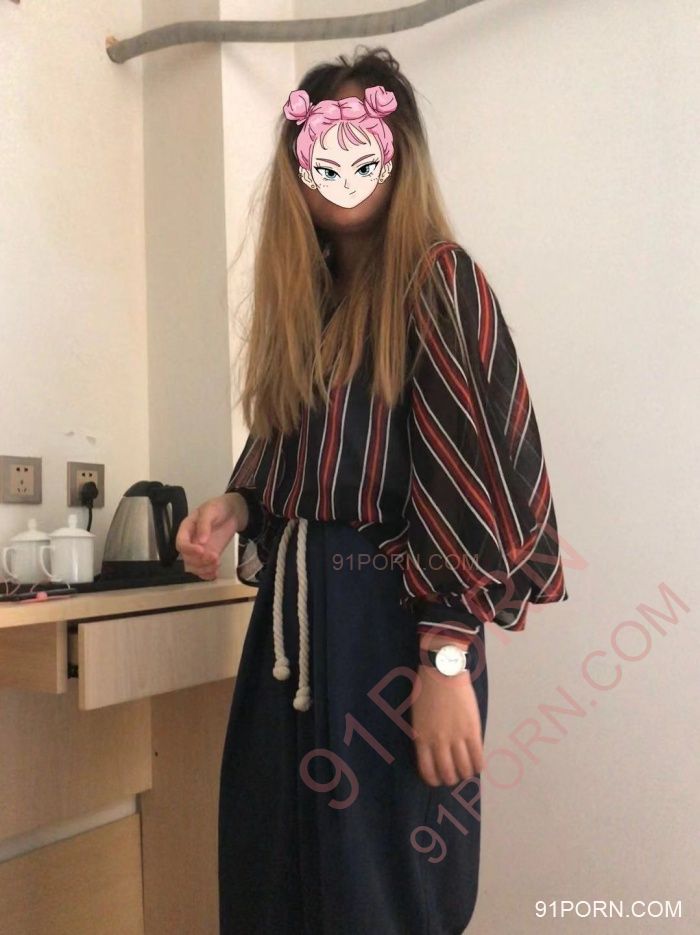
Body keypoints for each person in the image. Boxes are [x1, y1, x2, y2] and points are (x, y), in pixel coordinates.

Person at [176, 46, 568, 935]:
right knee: (273, 868)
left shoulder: (439, 280)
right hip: (288, 632)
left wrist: (447, 656)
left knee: (383, 887)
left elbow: (472, 469)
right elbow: (295, 456)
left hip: (391, 625)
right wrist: (236, 506)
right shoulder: (308, 303)